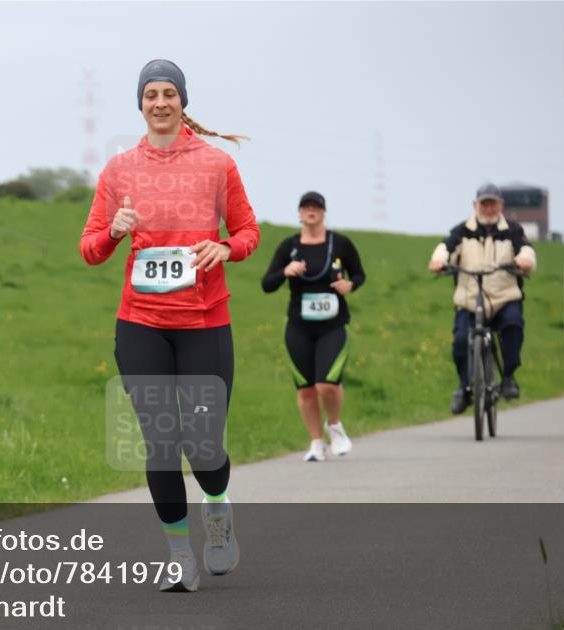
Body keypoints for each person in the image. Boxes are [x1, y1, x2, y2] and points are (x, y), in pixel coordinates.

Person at [80, 59, 260, 592]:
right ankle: (180, 554)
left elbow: (248, 231)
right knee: (160, 443)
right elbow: (89, 249)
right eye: (151, 94)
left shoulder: (216, 165)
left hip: (205, 322)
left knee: (203, 447)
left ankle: (217, 507)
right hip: (142, 323)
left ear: (183, 101)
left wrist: (225, 248)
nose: (160, 102)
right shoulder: (119, 171)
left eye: (169, 94)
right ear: (140, 104)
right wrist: (114, 231)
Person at [261, 192, 365, 462]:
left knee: (326, 385)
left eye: (316, 207)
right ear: (299, 213)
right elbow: (267, 284)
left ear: (323, 212)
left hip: (333, 325)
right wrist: (285, 271)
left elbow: (359, 274)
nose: (311, 211)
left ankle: (335, 426)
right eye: (306, 207)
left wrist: (350, 285)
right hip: (298, 327)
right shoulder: (289, 247)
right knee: (306, 389)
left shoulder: (340, 243)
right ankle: (316, 442)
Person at [428, 183, 536, 414]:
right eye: (484, 204)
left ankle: (509, 377)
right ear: (475, 205)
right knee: (460, 342)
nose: (488, 208)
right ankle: (464, 388)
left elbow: (526, 250)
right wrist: (438, 261)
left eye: (492, 204)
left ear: (500, 205)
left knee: (513, 325)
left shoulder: (513, 230)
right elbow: (445, 247)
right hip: (469, 299)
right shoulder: (462, 231)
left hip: (504, 297)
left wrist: (525, 260)